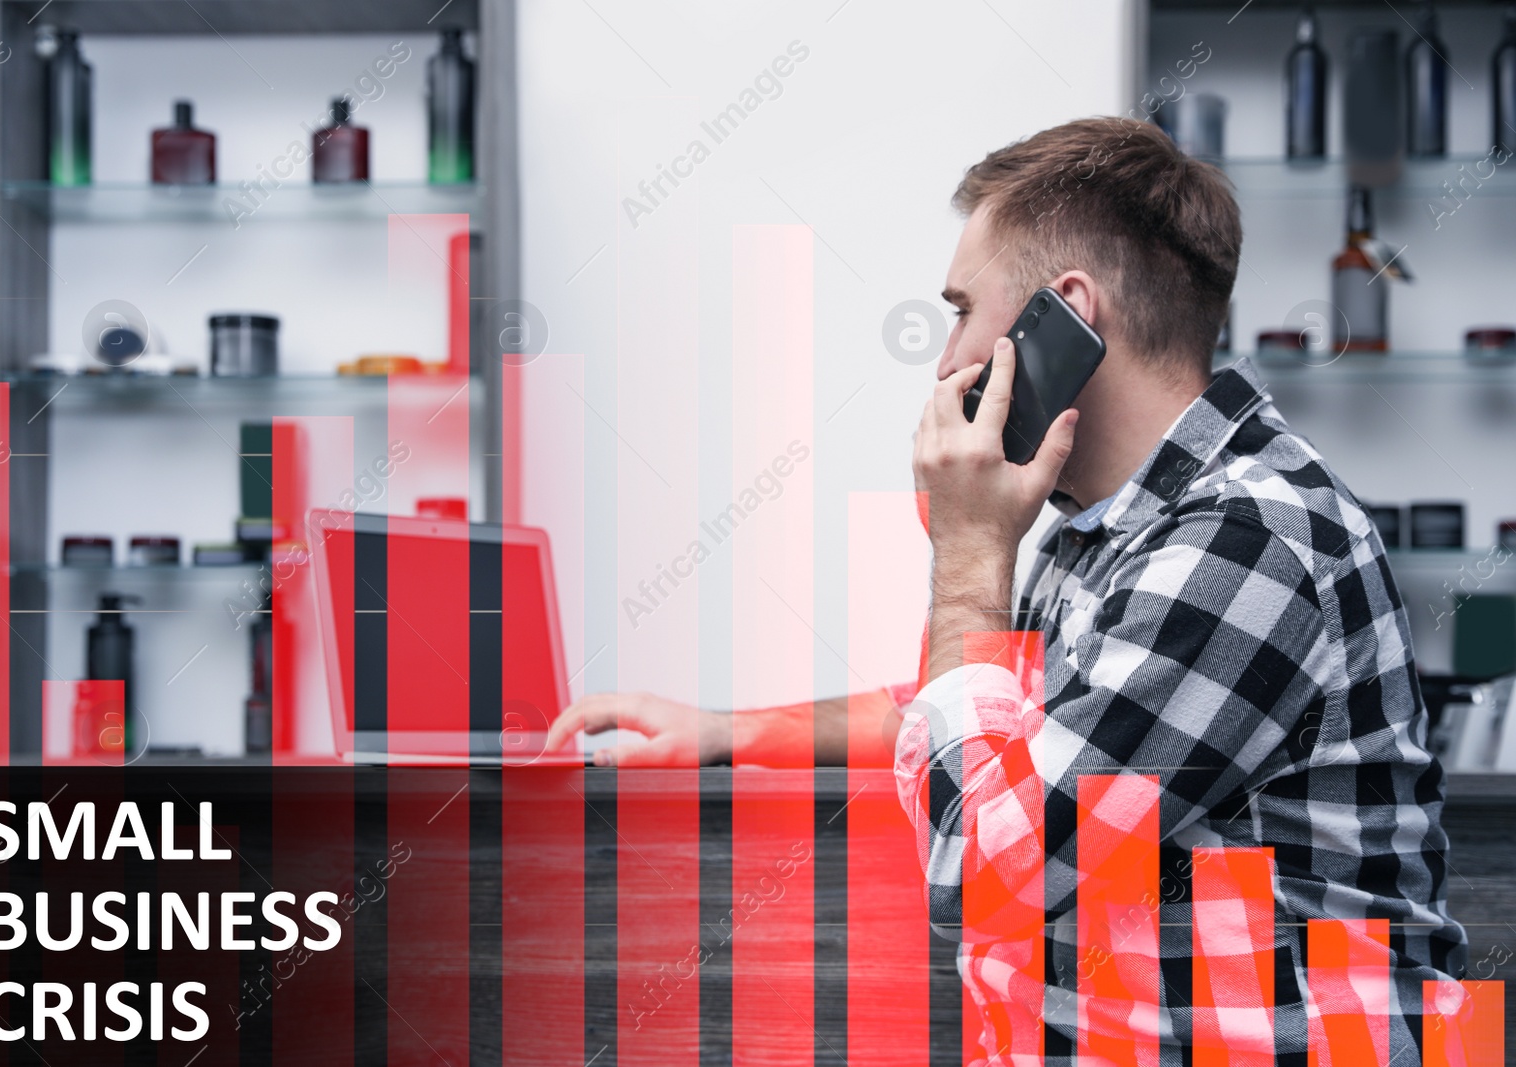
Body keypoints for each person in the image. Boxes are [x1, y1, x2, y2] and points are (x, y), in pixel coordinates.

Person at [546, 117, 1466, 1061]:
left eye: (960, 310)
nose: (945, 362)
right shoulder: (1115, 523)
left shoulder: (1245, 544)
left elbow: (984, 880)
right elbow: (1016, 711)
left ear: (1064, 315)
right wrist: (733, 732)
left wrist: (970, 556)